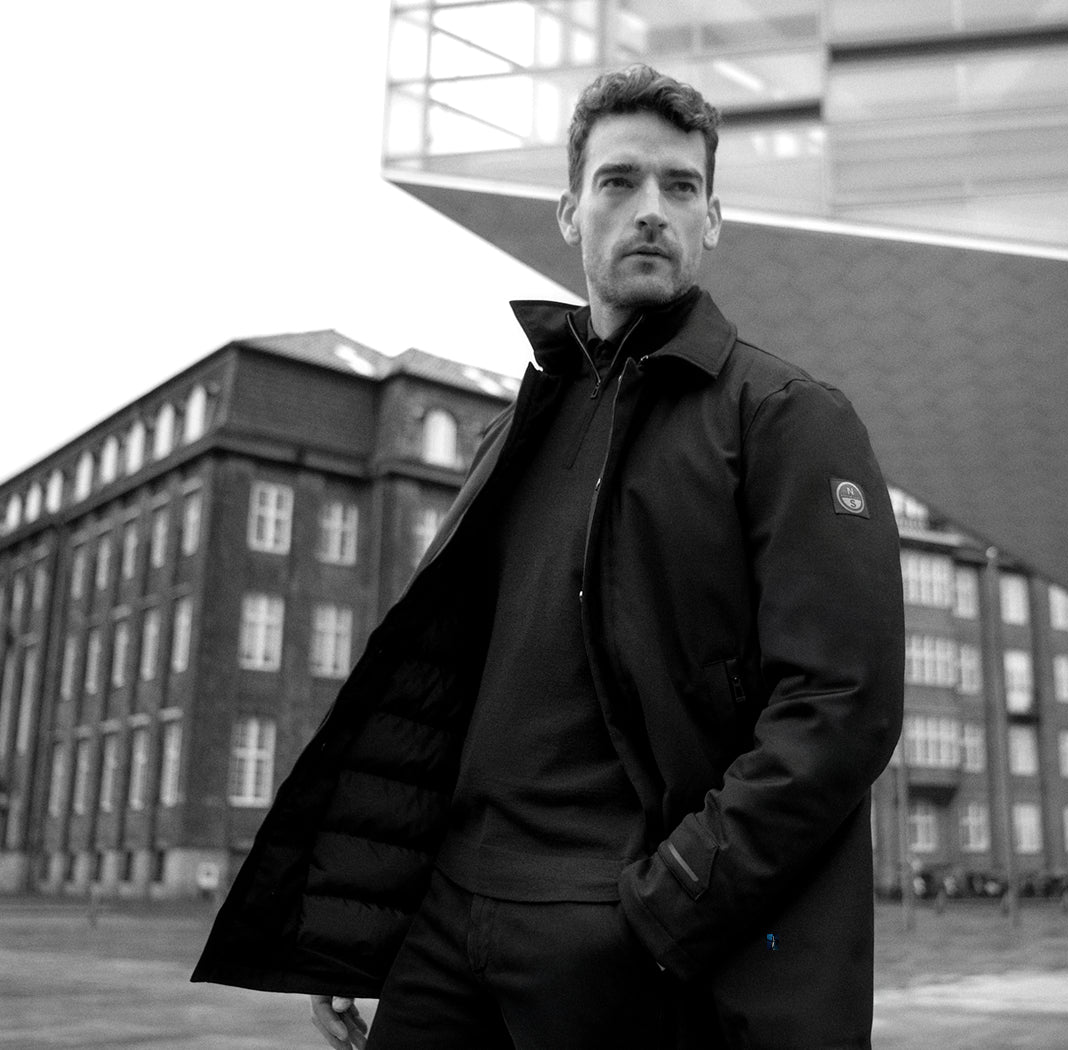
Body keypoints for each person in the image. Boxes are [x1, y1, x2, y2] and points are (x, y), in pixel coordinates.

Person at [192, 64, 904, 1050]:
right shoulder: (513, 431)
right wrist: (372, 923)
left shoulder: (784, 418)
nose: (650, 209)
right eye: (619, 181)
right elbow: (443, 694)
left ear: (712, 221)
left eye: (680, 186)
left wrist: (672, 899)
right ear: (570, 213)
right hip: (446, 927)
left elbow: (841, 706)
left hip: (617, 936)